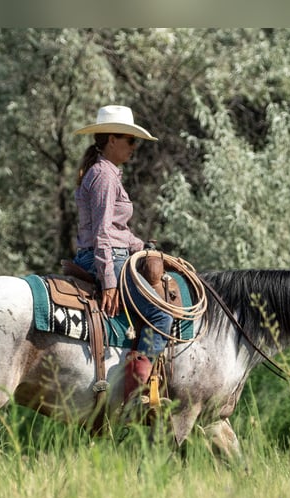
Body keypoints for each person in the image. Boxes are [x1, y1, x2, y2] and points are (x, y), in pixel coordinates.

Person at [72, 105, 173, 390]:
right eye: (130, 140)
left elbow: (119, 231)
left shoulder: (106, 172)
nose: (134, 146)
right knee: (161, 315)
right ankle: (136, 390)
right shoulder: (104, 176)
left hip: (109, 253)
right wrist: (109, 280)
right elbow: (103, 233)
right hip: (105, 259)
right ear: (112, 140)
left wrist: (146, 248)